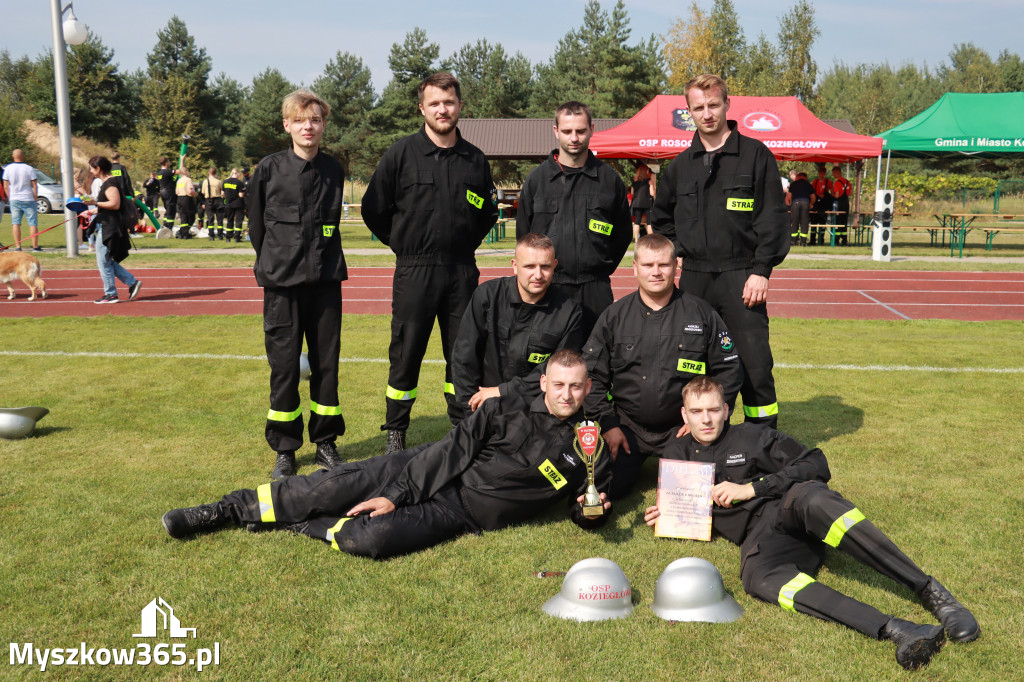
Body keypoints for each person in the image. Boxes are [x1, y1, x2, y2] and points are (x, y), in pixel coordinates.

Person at [644, 376, 979, 671]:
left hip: (793, 508)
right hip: (761, 538)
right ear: (684, 415)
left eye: (713, 410)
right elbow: (684, 504)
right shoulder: (676, 452)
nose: (706, 419)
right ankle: (898, 629)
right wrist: (666, 514)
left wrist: (752, 488)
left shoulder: (754, 437)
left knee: (816, 498)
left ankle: (931, 592)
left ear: (727, 410)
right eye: (697, 412)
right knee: (756, 579)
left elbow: (816, 462)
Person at [162, 350, 612, 559]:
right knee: (333, 483)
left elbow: (585, 506)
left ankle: (307, 522)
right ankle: (222, 511)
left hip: (461, 514)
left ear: (588, 387)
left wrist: (590, 515)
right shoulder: (503, 409)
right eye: (559, 384)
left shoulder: (592, 447)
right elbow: (451, 451)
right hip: (424, 469)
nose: (568, 394)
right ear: (544, 383)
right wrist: (397, 492)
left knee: (370, 539)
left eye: (576, 386)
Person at [362, 72, 498, 455]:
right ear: (422, 108)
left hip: (461, 270)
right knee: (406, 351)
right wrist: (404, 244)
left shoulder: (475, 160)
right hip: (414, 270)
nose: (443, 109)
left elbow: (486, 212)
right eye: (435, 103)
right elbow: (374, 209)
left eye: (449, 102)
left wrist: (463, 244)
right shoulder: (400, 154)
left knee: (464, 351)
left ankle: (462, 425)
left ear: (459, 106)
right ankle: (396, 431)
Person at [652, 73, 789, 430]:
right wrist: (681, 251)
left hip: (742, 276)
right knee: (692, 362)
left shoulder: (755, 156)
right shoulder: (681, 166)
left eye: (713, 105)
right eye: (699, 107)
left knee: (755, 364)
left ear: (727, 105)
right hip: (695, 279)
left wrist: (762, 270)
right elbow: (661, 219)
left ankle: (762, 441)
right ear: (689, 112)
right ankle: (697, 437)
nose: (707, 113)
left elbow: (774, 219)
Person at [583, 234, 743, 499]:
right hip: (626, 429)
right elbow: (590, 377)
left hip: (682, 429)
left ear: (676, 266)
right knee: (602, 491)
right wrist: (608, 424)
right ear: (634, 268)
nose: (655, 272)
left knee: (701, 496)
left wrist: (700, 419)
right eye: (647, 265)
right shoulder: (614, 316)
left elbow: (728, 370)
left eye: (663, 265)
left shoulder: (701, 313)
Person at [247, 88, 347, 480]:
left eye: (316, 120)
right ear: (287, 125)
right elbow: (257, 227)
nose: (309, 126)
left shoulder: (334, 170)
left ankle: (325, 443)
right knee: (285, 368)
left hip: (325, 284)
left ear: (323, 125)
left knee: (327, 366)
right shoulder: (269, 170)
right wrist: (277, 261)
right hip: (282, 286)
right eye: (301, 120)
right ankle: (286, 448)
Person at [517, 101, 632, 339]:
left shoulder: (609, 180)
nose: (574, 138)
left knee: (597, 361)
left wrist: (599, 266)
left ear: (592, 128)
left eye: (580, 130)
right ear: (556, 131)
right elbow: (524, 236)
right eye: (567, 131)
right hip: (549, 287)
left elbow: (622, 235)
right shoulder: (537, 180)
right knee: (547, 361)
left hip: (595, 288)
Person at [450, 232, 584, 425]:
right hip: (483, 406)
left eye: (545, 267)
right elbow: (464, 358)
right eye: (529, 266)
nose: (538, 275)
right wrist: (470, 412)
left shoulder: (570, 312)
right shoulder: (487, 296)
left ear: (554, 266)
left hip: (536, 411)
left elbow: (557, 373)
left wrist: (504, 391)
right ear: (514, 265)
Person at [74, 156, 142, 304]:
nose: (91, 172)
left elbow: (115, 204)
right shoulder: (107, 182)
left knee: (103, 261)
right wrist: (91, 211)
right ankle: (131, 282)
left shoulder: (110, 183)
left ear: (98, 169)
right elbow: (106, 206)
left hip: (111, 227)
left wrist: (94, 202)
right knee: (105, 260)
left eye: (92, 168)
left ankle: (111, 294)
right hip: (107, 224)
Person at [3, 149, 41, 252]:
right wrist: (35, 196)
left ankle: (18, 246)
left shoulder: (8, 168)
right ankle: (35, 246)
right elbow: (34, 184)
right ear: (23, 156)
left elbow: (6, 185)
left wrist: (9, 197)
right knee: (32, 223)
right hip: (28, 197)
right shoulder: (29, 168)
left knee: (16, 223)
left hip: (15, 198)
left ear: (13, 156)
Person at [786, 171, 815, 247]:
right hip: (806, 203)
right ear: (805, 177)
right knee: (804, 223)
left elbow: (788, 197)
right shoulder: (809, 185)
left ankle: (793, 241)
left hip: (795, 203)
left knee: (794, 222)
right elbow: (813, 197)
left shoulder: (793, 184)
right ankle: (803, 242)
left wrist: (790, 204)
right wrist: (811, 204)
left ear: (798, 177)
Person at [630, 163, 656, 242]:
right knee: (649, 222)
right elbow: (652, 193)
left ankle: (636, 240)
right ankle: (650, 239)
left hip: (637, 203)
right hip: (647, 203)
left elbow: (632, 193)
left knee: (637, 222)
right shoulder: (649, 181)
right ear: (646, 171)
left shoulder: (634, 182)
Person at [811, 165, 832, 246]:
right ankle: (812, 240)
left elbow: (832, 192)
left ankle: (821, 239)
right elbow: (812, 192)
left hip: (824, 204)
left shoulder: (828, 182)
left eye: (823, 173)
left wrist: (825, 195)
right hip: (816, 204)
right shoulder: (814, 182)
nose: (821, 174)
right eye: (820, 173)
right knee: (814, 221)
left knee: (822, 222)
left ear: (825, 173)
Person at [222, 168, 245, 242]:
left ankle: (228, 237)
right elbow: (241, 195)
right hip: (238, 204)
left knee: (230, 220)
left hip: (228, 204)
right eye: (239, 174)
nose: (240, 175)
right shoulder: (239, 183)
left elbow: (223, 194)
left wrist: (228, 197)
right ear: (237, 173)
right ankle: (237, 237)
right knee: (238, 221)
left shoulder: (225, 182)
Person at [201, 167, 224, 240]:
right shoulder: (219, 181)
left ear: (209, 172)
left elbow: (203, 192)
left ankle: (211, 235)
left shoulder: (205, 181)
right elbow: (221, 192)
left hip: (208, 201)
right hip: (218, 200)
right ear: (216, 173)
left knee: (210, 218)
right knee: (219, 219)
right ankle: (220, 235)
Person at [831, 165, 852, 246]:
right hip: (846, 203)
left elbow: (836, 195)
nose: (833, 175)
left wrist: (831, 192)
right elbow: (851, 193)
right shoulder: (847, 182)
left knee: (838, 222)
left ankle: (836, 240)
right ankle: (844, 240)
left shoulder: (837, 183)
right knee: (844, 222)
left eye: (833, 173)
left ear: (836, 173)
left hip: (839, 204)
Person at [174, 168, 198, 239]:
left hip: (179, 199)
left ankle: (183, 233)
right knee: (191, 217)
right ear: (186, 172)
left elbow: (176, 192)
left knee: (183, 217)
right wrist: (196, 194)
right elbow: (190, 191)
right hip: (187, 199)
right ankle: (184, 232)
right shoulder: (188, 180)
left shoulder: (179, 181)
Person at [155, 156, 177, 230]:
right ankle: (169, 228)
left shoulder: (159, 172)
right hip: (169, 192)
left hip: (163, 192)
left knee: (167, 210)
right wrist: (182, 160)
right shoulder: (167, 172)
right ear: (166, 163)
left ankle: (165, 225)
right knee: (171, 210)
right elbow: (179, 171)